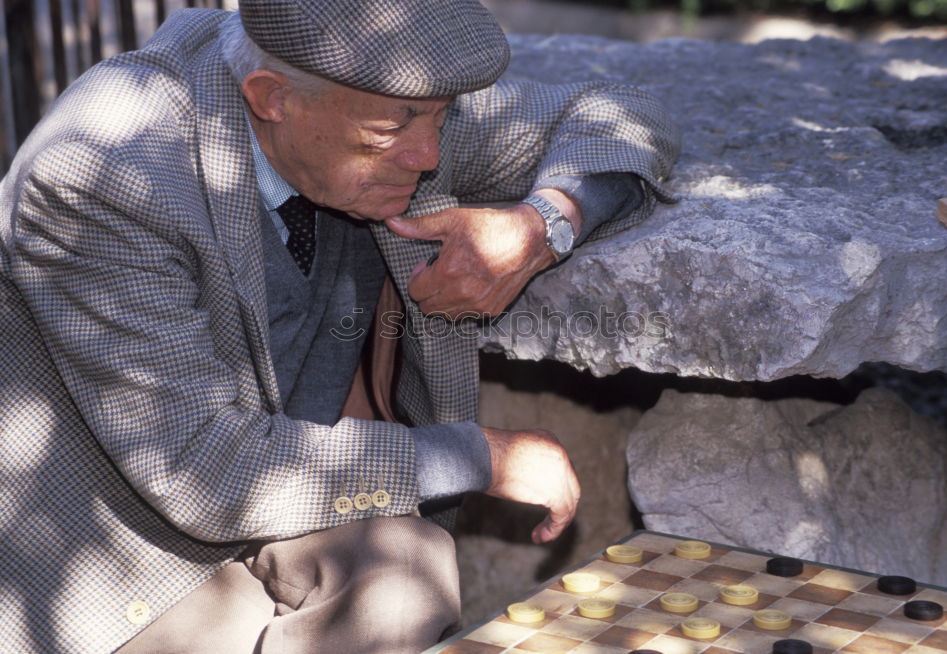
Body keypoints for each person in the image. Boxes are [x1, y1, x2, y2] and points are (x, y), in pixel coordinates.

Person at [0, 1, 679, 652]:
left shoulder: (375, 102)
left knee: (403, 575)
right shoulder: (107, 171)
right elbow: (204, 471)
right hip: (116, 547)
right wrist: (480, 456)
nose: (426, 157)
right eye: (392, 131)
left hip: (287, 488)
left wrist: (545, 223)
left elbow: (621, 113)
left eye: (438, 120)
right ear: (272, 98)